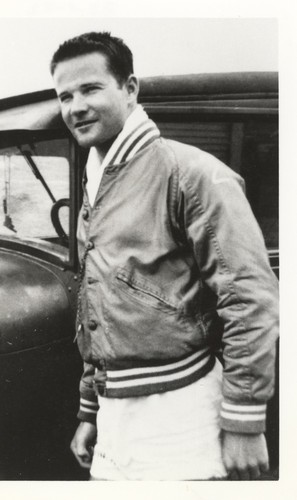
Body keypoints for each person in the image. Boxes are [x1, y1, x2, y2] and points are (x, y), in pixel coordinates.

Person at [50, 32, 279, 481]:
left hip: (182, 414)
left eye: (91, 88)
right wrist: (91, 411)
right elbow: (100, 303)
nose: (75, 106)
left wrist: (244, 419)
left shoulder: (192, 173)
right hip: (116, 419)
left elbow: (250, 298)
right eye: (65, 95)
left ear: (130, 89)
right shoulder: (96, 185)